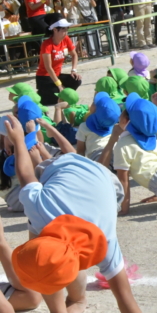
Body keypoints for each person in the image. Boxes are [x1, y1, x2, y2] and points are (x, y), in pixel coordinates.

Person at [2, 115, 142, 313]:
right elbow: (26, 174)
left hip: (101, 180)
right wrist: (17, 140)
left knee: (48, 261)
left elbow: (26, 174)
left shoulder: (105, 241)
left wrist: (18, 141)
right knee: (46, 262)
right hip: (81, 176)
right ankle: (67, 305)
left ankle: (74, 301)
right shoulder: (40, 208)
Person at [35, 16, 82, 106]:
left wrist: (74, 70)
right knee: (52, 100)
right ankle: (42, 93)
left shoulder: (66, 39)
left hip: (57, 75)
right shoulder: (46, 44)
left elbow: (74, 54)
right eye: (63, 29)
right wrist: (59, 85)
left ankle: (62, 94)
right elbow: (48, 67)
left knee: (76, 80)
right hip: (44, 77)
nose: (66, 32)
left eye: (67, 29)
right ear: (55, 30)